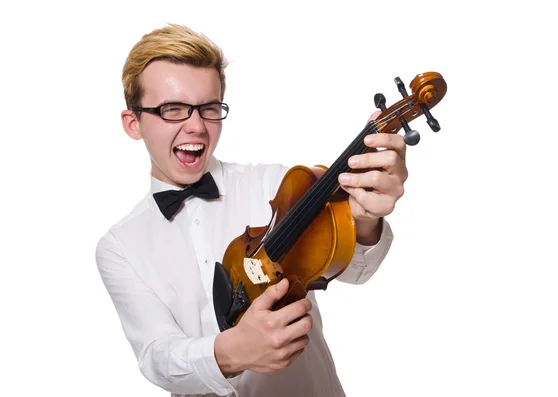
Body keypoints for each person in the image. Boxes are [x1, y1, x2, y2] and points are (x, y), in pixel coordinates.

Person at [95, 23, 408, 397]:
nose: (196, 126)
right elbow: (157, 356)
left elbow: (354, 271)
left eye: (208, 108)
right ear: (134, 123)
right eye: (172, 109)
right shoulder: (119, 246)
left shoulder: (280, 187)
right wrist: (230, 352)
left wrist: (365, 219)